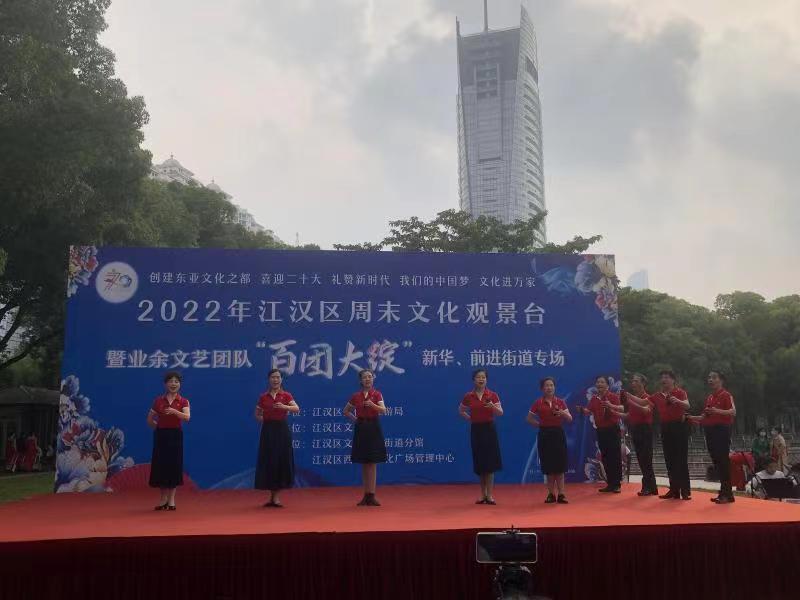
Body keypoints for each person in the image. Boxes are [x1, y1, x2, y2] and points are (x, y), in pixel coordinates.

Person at [687, 370, 737, 504]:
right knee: (717, 462)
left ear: (721, 380)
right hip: (710, 431)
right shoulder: (710, 397)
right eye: (709, 377)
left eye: (714, 377)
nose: (710, 380)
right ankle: (725, 493)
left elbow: (733, 412)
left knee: (723, 461)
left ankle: (727, 493)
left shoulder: (726, 395)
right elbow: (704, 417)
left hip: (722, 430)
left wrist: (717, 411)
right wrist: (690, 418)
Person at [254, 369, 300, 507]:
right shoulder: (263, 397)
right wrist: (266, 420)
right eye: (273, 377)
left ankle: (276, 497)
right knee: (269, 460)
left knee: (281, 460)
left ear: (281, 380)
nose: (275, 380)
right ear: (269, 379)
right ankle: (271, 496)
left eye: (278, 377)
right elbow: (257, 414)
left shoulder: (286, 395)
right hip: (268, 431)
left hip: (282, 430)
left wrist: (284, 407)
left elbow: (296, 408)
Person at [147, 371, 191, 510]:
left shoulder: (183, 401)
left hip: (175, 436)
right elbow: (150, 418)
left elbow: (187, 417)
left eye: (176, 381)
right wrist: (158, 427)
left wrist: (174, 412)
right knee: (161, 466)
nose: (173, 384)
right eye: (170, 381)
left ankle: (171, 500)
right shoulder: (158, 400)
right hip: (161, 436)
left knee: (174, 466)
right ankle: (163, 499)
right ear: (165, 384)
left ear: (180, 384)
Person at [344, 369, 387, 506]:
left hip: (373, 427)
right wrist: (356, 420)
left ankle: (372, 494)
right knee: (364, 461)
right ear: (360, 381)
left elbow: (383, 410)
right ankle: (366, 495)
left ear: (373, 379)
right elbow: (346, 411)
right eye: (365, 377)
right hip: (361, 428)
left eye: (370, 377)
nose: (368, 379)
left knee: (372, 462)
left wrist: (373, 405)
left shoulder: (377, 394)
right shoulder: (356, 396)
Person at [460, 369, 503, 504]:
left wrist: (492, 407)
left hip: (489, 430)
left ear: (486, 380)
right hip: (476, 430)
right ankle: (482, 494)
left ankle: (489, 495)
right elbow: (461, 410)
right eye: (478, 377)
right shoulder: (469, 396)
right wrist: (471, 419)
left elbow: (500, 412)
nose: (481, 379)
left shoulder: (493, 395)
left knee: (489, 464)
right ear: (474, 380)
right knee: (480, 464)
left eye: (483, 377)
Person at [527, 377, 573, 504]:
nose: (549, 388)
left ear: (554, 387)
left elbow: (569, 418)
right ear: (542, 388)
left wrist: (562, 413)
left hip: (558, 434)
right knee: (548, 466)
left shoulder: (561, 402)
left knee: (560, 466)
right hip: (545, 435)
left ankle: (562, 494)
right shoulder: (538, 403)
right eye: (546, 385)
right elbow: (529, 418)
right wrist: (541, 425)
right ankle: (551, 494)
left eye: (551, 385)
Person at [577, 376, 623, 493]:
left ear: (607, 385)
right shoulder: (594, 399)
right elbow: (588, 411)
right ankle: (610, 483)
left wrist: (610, 406)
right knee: (605, 457)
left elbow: (620, 409)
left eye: (602, 382)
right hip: (601, 430)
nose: (599, 384)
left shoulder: (613, 397)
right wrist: (581, 410)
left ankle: (617, 484)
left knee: (615, 457)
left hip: (612, 430)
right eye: (598, 382)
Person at [651, 369, 692, 500]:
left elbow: (687, 405)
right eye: (662, 378)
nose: (664, 380)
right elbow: (644, 402)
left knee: (681, 459)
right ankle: (674, 490)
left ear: (673, 380)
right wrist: (629, 397)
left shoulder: (680, 392)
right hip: (665, 427)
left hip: (679, 426)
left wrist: (677, 401)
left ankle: (685, 491)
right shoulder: (658, 395)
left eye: (666, 377)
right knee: (669, 459)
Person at [623, 373, 658, 496]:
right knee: (640, 458)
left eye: (636, 381)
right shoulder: (635, 399)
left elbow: (646, 410)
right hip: (635, 429)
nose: (633, 383)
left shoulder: (647, 397)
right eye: (632, 381)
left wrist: (631, 401)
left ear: (643, 383)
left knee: (646, 458)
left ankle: (648, 487)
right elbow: (628, 415)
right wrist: (613, 411)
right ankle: (652, 487)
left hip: (645, 429)